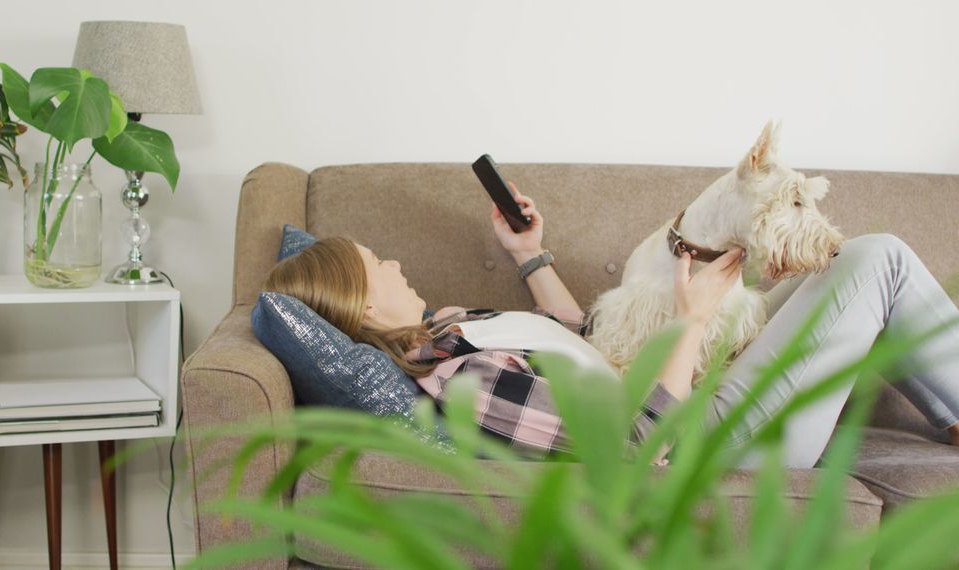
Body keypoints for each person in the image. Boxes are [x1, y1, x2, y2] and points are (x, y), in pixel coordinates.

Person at [263, 182, 959, 468]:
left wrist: (530, 253)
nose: (391, 259)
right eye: (374, 264)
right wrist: (691, 321)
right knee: (879, 259)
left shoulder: (450, 327)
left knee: (841, 269)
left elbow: (579, 339)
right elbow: (635, 448)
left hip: (703, 393)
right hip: (708, 440)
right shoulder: (458, 374)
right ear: (358, 305)